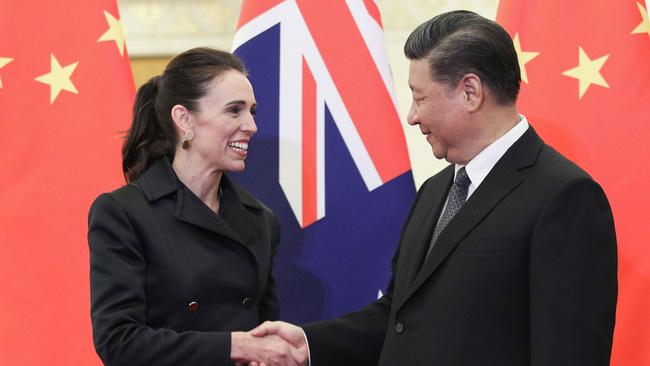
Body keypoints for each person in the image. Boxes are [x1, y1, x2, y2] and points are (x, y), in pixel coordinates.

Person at [251, 10, 618, 366]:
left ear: (470, 91)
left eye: (419, 96)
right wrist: (307, 344)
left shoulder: (564, 197)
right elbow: (400, 316)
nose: (412, 115)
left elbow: (569, 354)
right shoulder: (435, 190)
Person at [88, 47, 306, 366]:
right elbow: (118, 342)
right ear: (184, 119)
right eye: (234, 110)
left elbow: (263, 333)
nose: (251, 126)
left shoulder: (261, 219)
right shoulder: (123, 212)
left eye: (252, 111)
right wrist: (235, 346)